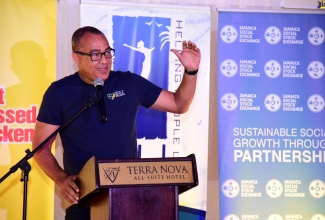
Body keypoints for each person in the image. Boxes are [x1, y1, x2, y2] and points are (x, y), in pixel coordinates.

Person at [32, 26, 201, 220]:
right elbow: (40, 148)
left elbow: (179, 104)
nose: (104, 60)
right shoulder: (59, 93)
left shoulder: (128, 83)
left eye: (107, 52)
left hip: (130, 200)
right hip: (86, 202)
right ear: (76, 57)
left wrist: (191, 70)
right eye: (95, 54)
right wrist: (61, 179)